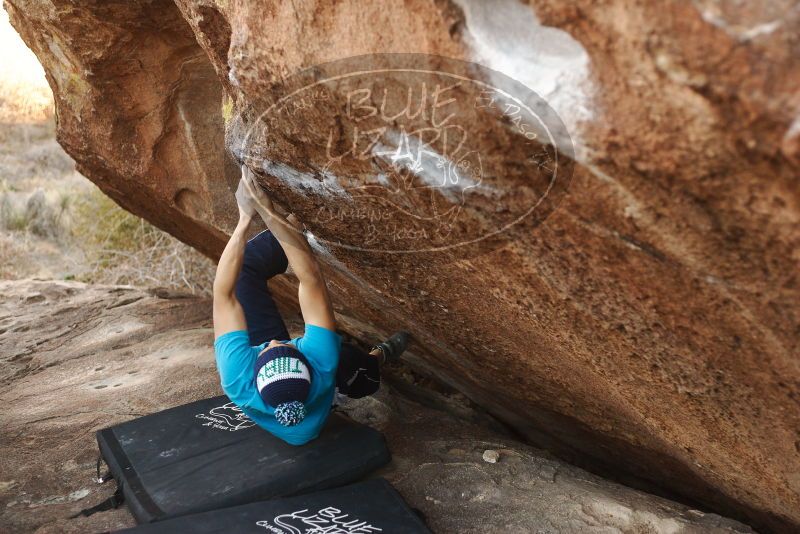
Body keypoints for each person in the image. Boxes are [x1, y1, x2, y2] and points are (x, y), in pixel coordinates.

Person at [212, 165, 409, 445]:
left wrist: (246, 218)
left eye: (270, 347)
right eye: (285, 345)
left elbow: (223, 294)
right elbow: (311, 279)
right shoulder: (321, 364)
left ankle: (291, 227)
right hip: (317, 401)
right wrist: (267, 212)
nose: (274, 342)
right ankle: (379, 358)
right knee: (353, 363)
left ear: (256, 369)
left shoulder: (238, 376)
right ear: (305, 360)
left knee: (243, 274)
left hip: (278, 373)